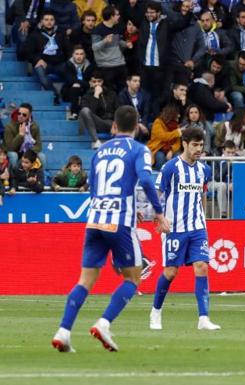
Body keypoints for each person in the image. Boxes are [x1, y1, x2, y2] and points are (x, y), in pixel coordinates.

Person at [51, 106, 170, 353]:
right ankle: (104, 323)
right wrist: (158, 212)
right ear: (137, 127)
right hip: (119, 222)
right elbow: (146, 180)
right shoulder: (139, 149)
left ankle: (63, 331)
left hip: (95, 219)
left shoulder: (99, 151)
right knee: (133, 278)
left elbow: (94, 188)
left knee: (85, 280)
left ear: (113, 126)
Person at [150, 127, 220, 331]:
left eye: (201, 145)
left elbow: (203, 195)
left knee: (202, 267)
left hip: (198, 227)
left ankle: (203, 318)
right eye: (195, 145)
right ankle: (156, 311)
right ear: (185, 144)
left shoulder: (204, 170)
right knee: (171, 272)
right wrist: (160, 218)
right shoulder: (170, 168)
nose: (199, 149)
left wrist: (204, 218)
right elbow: (157, 193)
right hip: (175, 228)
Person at [23, 10, 67, 105]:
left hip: (59, 63)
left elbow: (69, 50)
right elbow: (27, 52)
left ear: (55, 21)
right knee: (41, 75)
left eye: (51, 19)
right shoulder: (34, 35)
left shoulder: (61, 34)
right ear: (41, 21)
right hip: (43, 63)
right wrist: (37, 60)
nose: (49, 22)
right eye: (46, 19)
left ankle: (68, 95)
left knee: (72, 70)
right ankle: (55, 95)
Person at [92, 5, 130, 93]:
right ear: (111, 16)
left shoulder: (117, 28)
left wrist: (126, 44)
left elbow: (118, 42)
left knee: (123, 91)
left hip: (120, 64)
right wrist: (105, 41)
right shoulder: (98, 30)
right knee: (109, 92)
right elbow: (94, 47)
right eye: (117, 15)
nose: (119, 16)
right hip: (106, 66)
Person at [79, 71, 119, 149]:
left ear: (102, 82)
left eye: (99, 81)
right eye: (94, 82)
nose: (97, 84)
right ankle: (96, 141)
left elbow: (118, 110)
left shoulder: (112, 94)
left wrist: (116, 123)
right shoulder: (86, 96)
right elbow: (89, 114)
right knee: (85, 111)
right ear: (90, 83)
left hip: (111, 123)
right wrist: (96, 96)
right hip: (96, 123)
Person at [3, 103, 43, 168]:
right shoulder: (9, 127)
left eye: (24, 115)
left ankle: (39, 177)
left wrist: (28, 152)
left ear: (29, 115)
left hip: (28, 152)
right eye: (19, 113)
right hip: (13, 152)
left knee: (41, 156)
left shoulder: (34, 127)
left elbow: (39, 146)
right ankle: (14, 177)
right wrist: (20, 135)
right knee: (13, 155)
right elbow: (10, 148)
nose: (20, 116)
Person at [62, 45, 95, 119]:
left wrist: (85, 84)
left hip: (85, 91)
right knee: (75, 85)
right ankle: (74, 113)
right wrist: (86, 84)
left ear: (85, 55)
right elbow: (70, 80)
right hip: (69, 91)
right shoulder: (68, 65)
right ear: (73, 55)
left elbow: (92, 81)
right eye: (76, 54)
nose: (79, 56)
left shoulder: (89, 66)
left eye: (81, 54)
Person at [147, 104, 182, 169]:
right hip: (158, 148)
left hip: (171, 149)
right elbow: (163, 136)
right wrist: (177, 132)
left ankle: (174, 176)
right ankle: (159, 176)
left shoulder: (176, 125)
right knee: (160, 158)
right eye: (177, 114)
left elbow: (178, 143)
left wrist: (171, 150)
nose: (179, 116)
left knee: (177, 157)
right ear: (171, 114)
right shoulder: (158, 122)